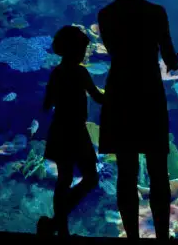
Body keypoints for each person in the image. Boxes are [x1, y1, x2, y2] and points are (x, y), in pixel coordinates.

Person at [98, 0, 178, 240]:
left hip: (120, 91)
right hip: (149, 92)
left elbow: (115, 52)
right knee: (158, 169)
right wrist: (173, 63)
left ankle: (132, 237)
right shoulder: (156, 13)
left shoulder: (106, 15)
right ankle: (161, 236)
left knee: (126, 170)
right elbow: (169, 57)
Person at [37, 25, 104, 237]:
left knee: (64, 179)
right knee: (90, 178)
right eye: (82, 49)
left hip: (59, 128)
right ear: (73, 49)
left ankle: (60, 227)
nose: (84, 54)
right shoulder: (79, 71)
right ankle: (58, 225)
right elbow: (97, 97)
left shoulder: (57, 72)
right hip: (74, 129)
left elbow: (47, 104)